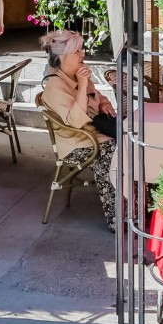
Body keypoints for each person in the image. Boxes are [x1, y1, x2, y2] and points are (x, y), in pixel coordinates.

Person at [39, 29, 117, 232]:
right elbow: (75, 122)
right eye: (78, 52)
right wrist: (82, 86)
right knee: (113, 151)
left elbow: (98, 97)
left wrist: (104, 104)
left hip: (94, 134)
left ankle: (138, 206)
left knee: (130, 145)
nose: (83, 55)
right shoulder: (56, 86)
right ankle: (118, 218)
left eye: (82, 50)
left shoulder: (78, 75)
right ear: (64, 58)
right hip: (77, 142)